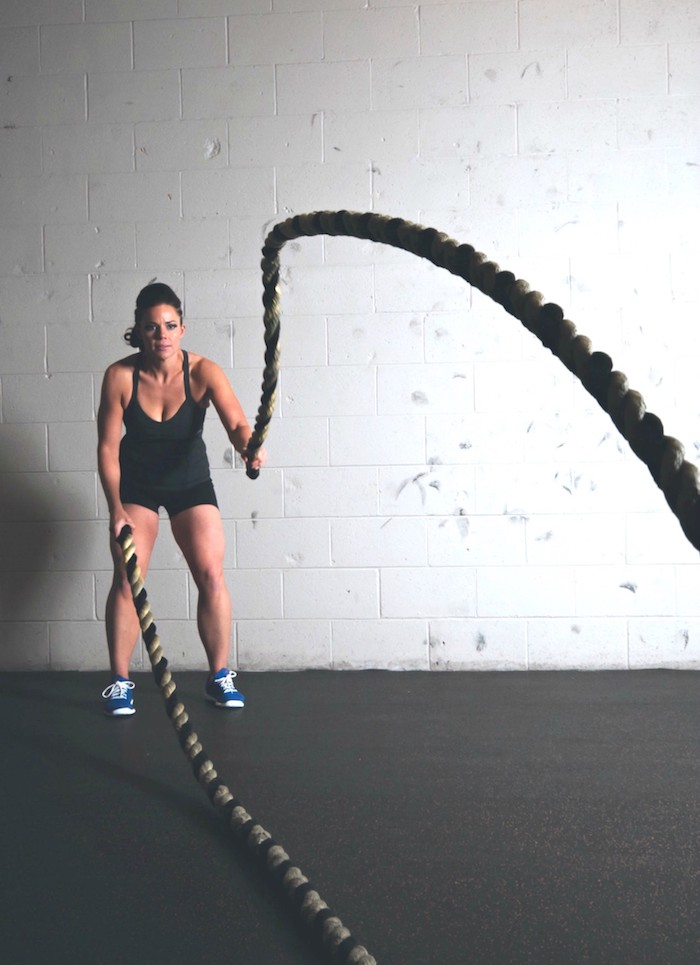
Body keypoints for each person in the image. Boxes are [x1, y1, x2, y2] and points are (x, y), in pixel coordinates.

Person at [97, 282, 266, 717]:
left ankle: (219, 675)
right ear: (138, 330)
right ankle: (120, 682)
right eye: (152, 327)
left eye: (170, 325)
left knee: (212, 573)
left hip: (190, 484)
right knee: (127, 578)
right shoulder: (119, 376)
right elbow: (108, 448)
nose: (162, 335)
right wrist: (115, 509)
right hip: (138, 486)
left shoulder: (204, 371)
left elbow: (236, 424)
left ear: (183, 329)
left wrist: (249, 445)